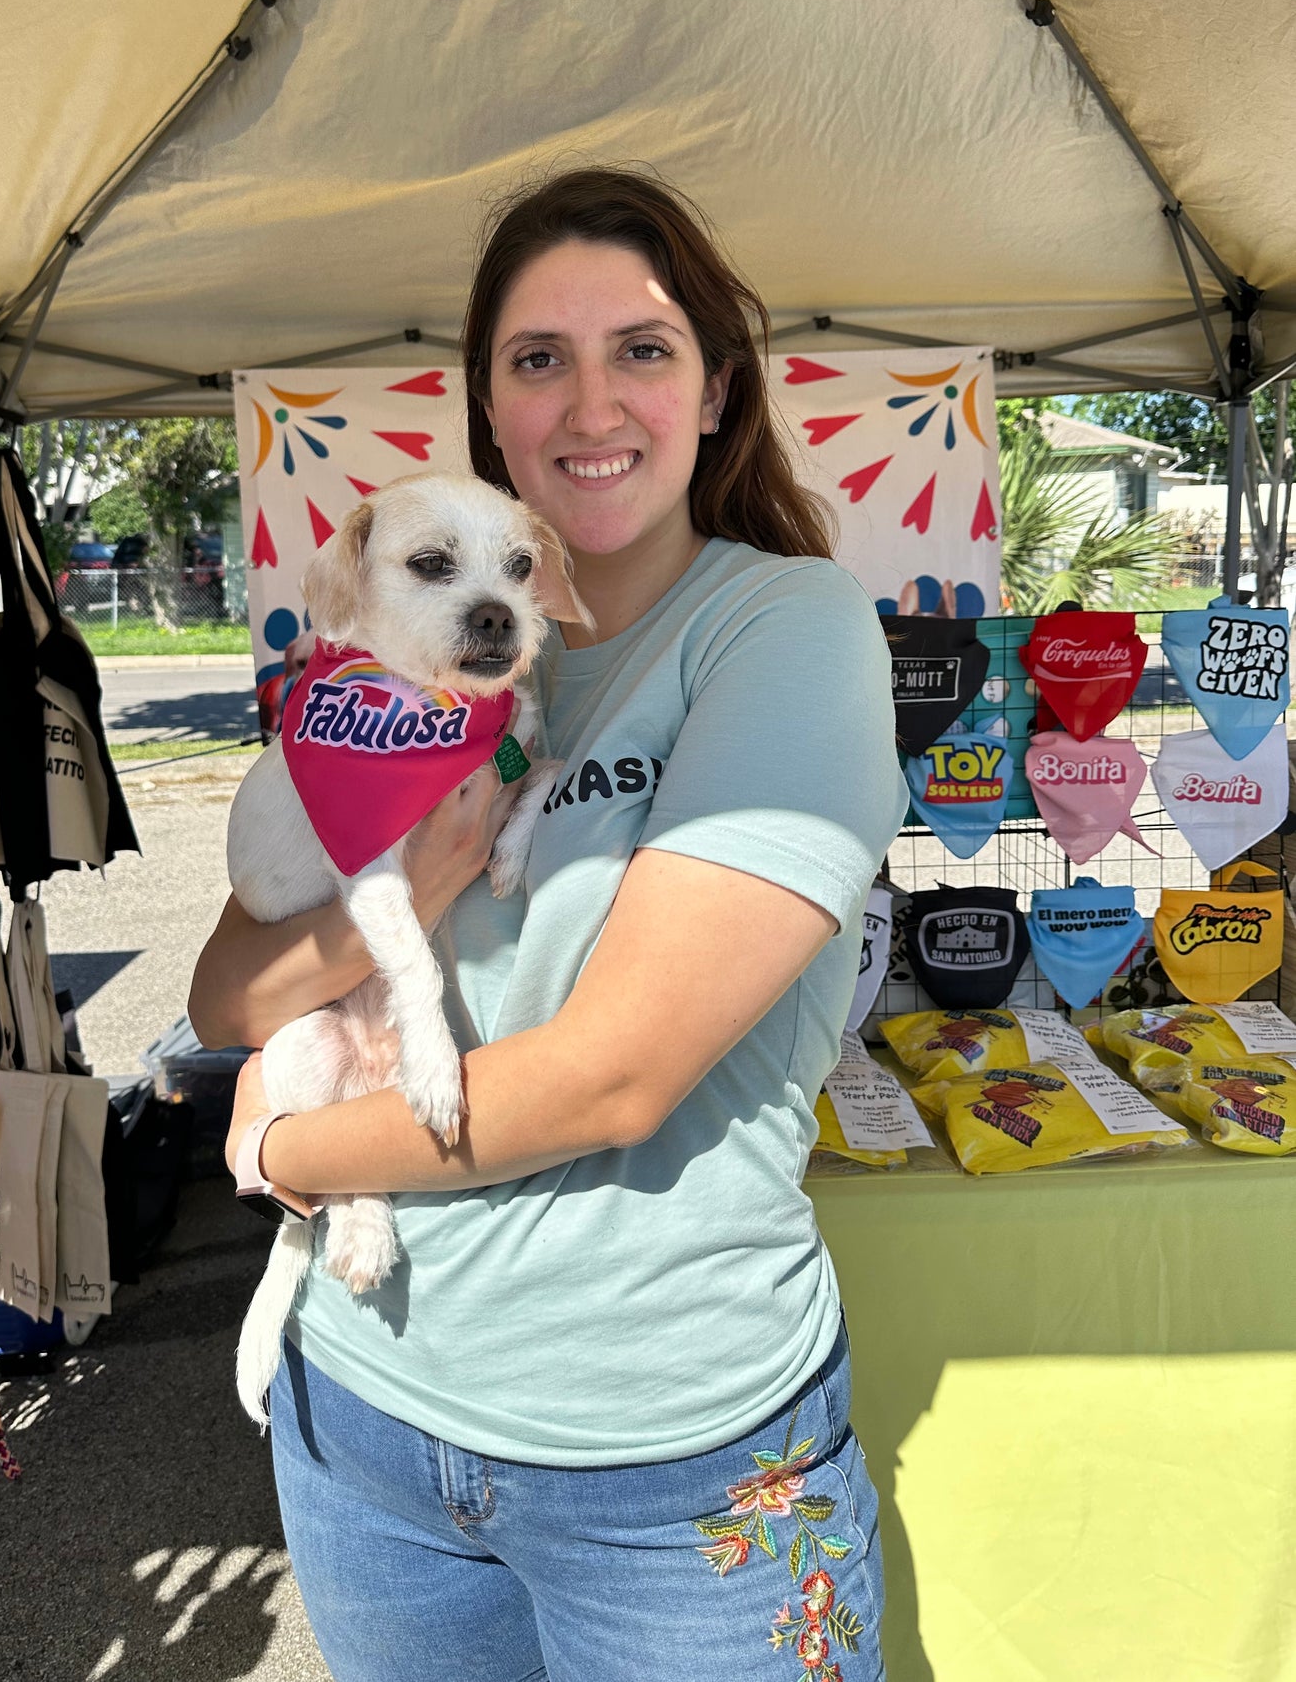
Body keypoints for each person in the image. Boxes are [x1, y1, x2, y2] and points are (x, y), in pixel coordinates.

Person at [190, 167, 907, 1682]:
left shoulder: (783, 630)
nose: (590, 403)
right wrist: (429, 883)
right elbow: (224, 994)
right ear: (491, 415)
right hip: (365, 1425)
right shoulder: (397, 684)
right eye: (538, 360)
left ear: (715, 389)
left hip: (666, 1465)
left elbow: (613, 1077)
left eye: (640, 351)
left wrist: (277, 1153)